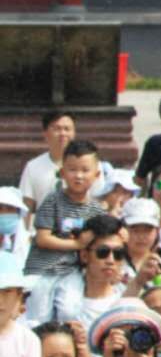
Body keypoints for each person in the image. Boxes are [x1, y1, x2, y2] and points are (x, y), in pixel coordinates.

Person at [25, 139, 106, 324]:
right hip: (43, 270)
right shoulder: (52, 200)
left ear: (96, 174)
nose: (78, 176)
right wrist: (77, 244)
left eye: (85, 170)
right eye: (72, 170)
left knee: (70, 312)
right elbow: (42, 238)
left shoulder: (97, 210)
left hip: (72, 271)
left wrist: (121, 232)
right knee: (39, 317)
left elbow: (106, 236)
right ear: (62, 173)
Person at [52, 214, 126, 330]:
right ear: (84, 256)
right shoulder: (57, 297)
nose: (111, 260)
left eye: (118, 253)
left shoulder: (126, 298)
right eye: (103, 252)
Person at [20, 111, 76, 214]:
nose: (63, 133)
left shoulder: (90, 165)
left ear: (74, 133)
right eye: (57, 129)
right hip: (42, 228)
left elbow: (99, 200)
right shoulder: (33, 167)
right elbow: (27, 206)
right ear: (45, 134)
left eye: (67, 129)